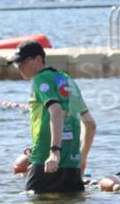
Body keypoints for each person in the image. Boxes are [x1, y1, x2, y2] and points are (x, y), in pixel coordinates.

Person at [9, 40, 95, 194]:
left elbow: (56, 111)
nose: (19, 67)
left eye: (22, 62)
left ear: (38, 59)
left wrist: (54, 152)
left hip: (45, 159)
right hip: (72, 164)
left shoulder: (40, 79)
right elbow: (90, 123)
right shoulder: (68, 80)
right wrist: (82, 158)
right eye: (17, 64)